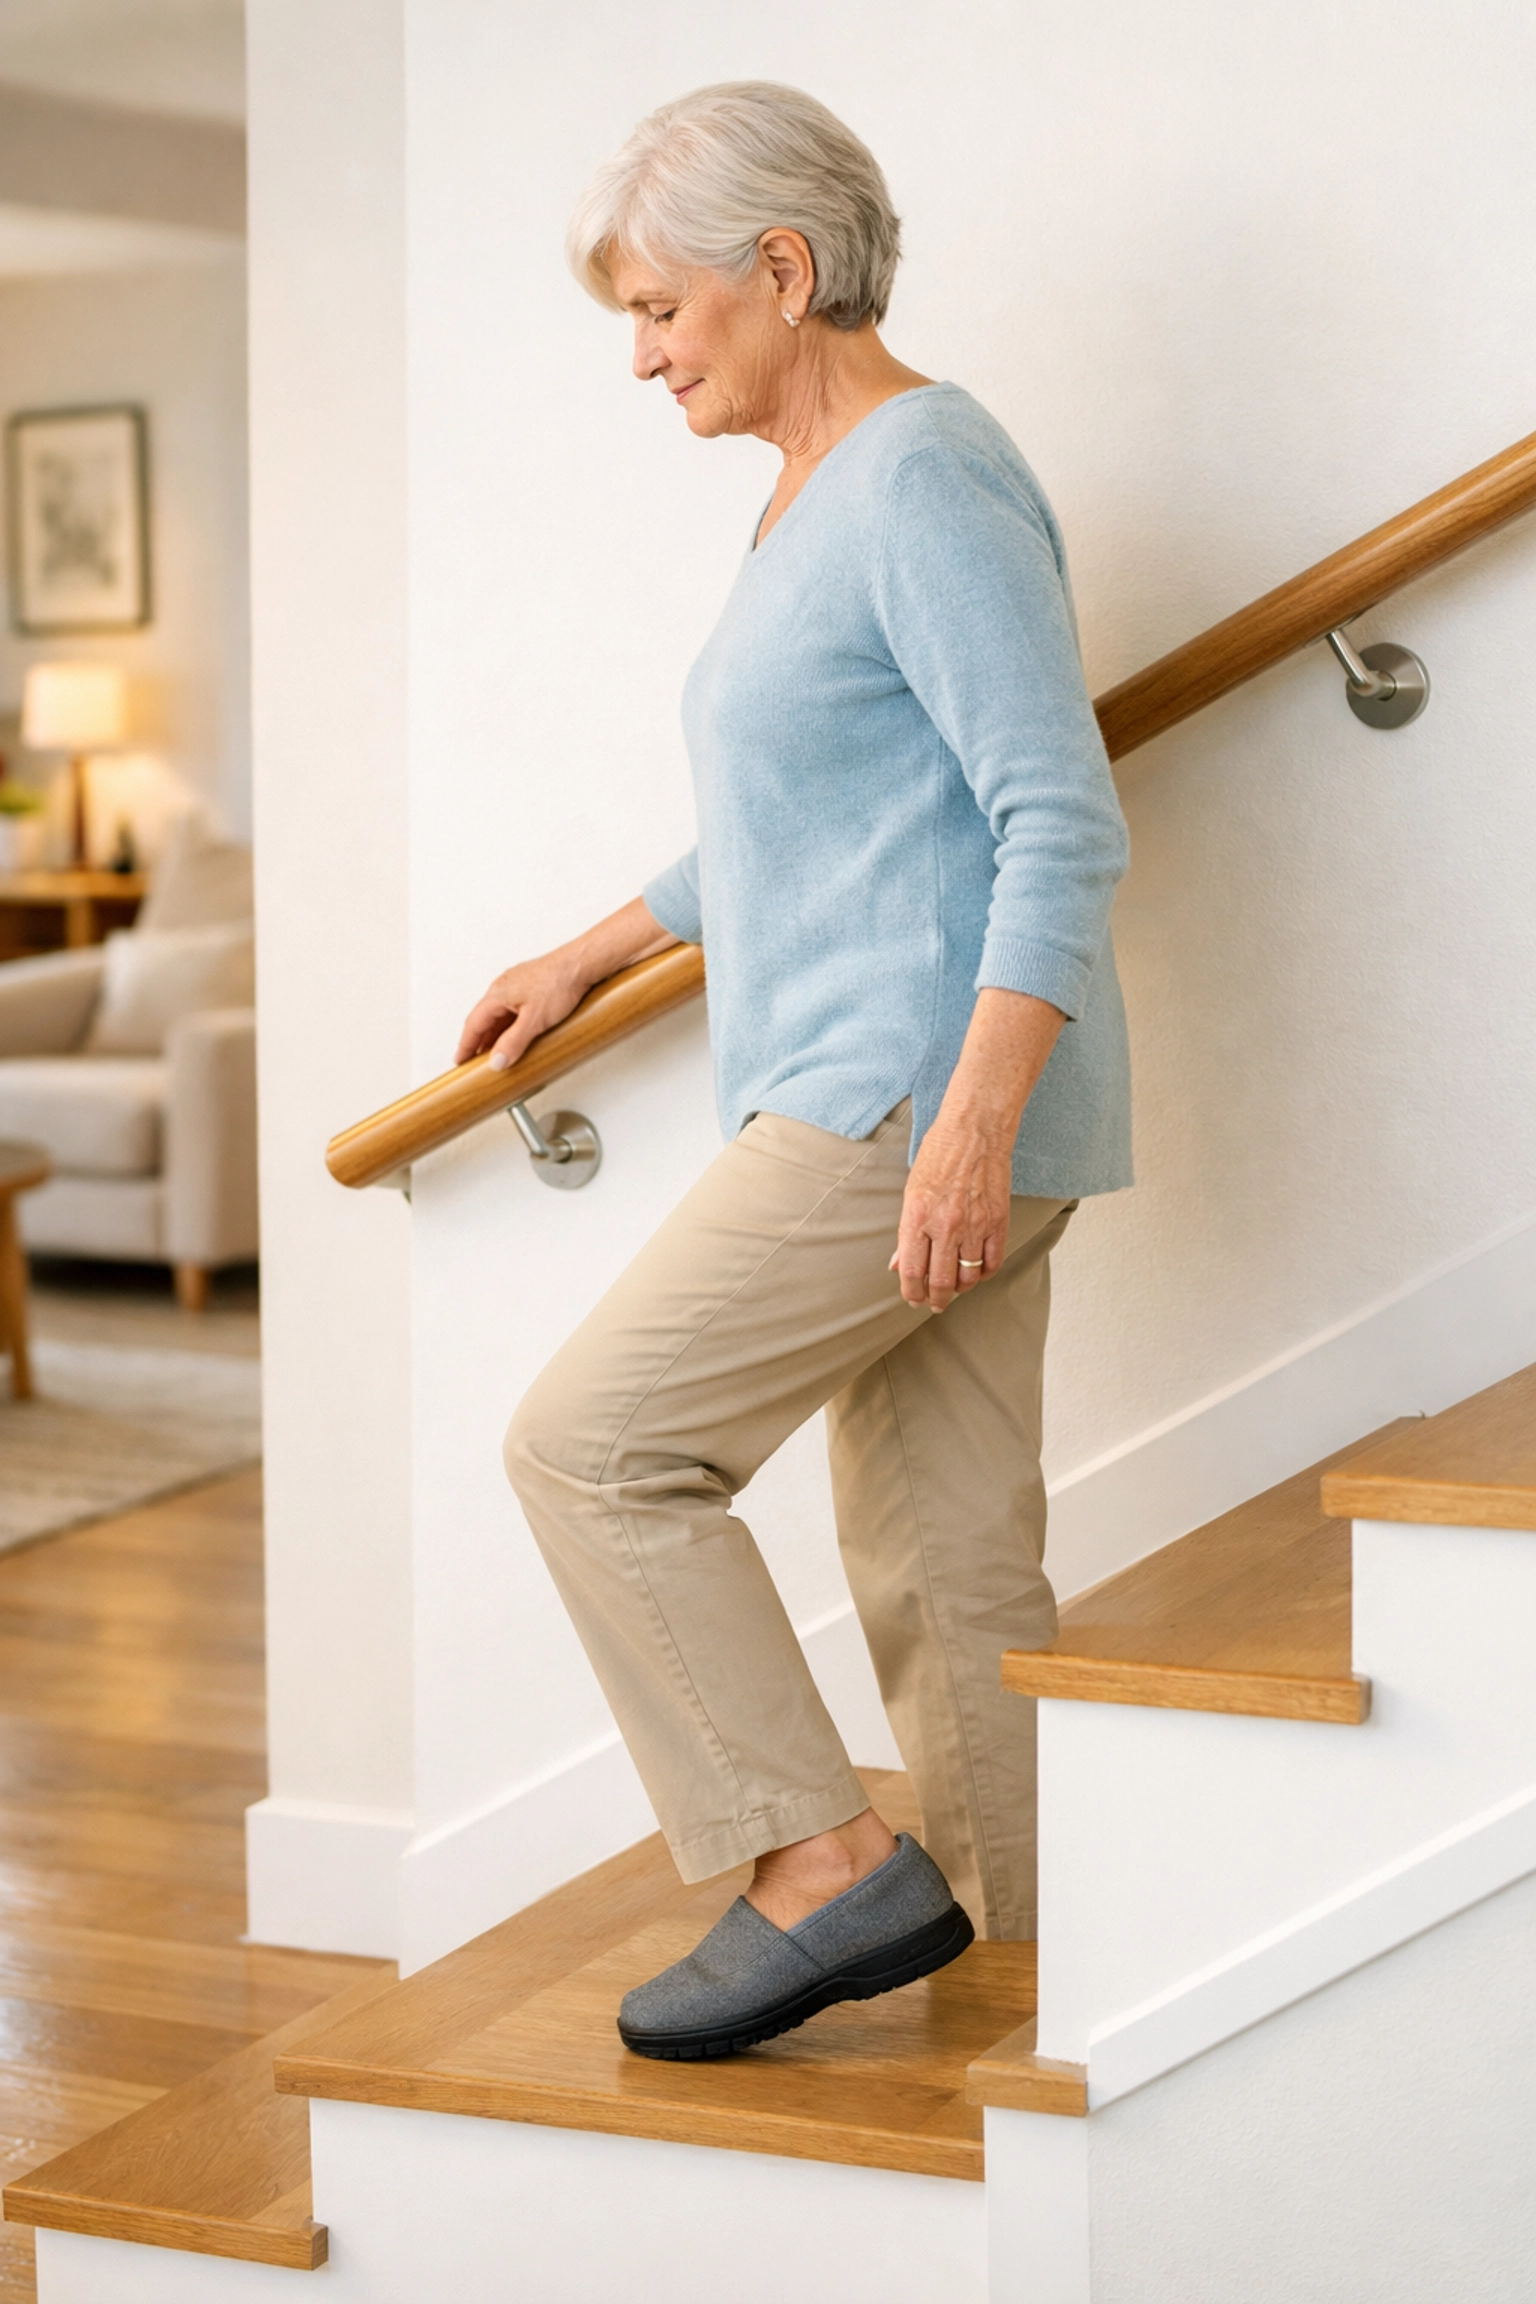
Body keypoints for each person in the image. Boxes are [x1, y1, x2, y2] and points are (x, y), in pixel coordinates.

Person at [458, 81, 1131, 2062]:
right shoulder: (829, 496)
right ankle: (1042, 1978)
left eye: (660, 309)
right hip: (915, 1095)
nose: (646, 355)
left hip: (906, 1096)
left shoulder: (918, 477)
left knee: (592, 1445)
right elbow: (816, 815)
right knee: (943, 1549)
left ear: (783, 266)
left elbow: (1055, 815)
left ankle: (820, 1869)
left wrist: (970, 1124)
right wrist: (595, 947)